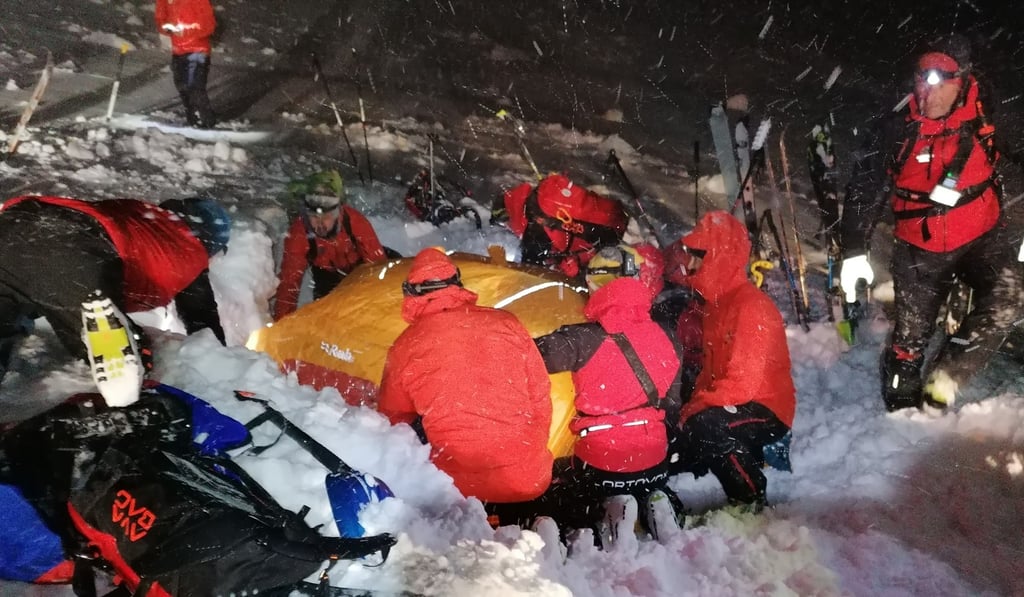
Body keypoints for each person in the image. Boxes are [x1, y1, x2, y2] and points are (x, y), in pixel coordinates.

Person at [838, 34, 1024, 412]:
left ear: (963, 80)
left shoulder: (990, 114)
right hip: (920, 247)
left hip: (981, 236)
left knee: (1010, 297)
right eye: (921, 77)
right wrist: (855, 249)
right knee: (909, 344)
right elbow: (865, 187)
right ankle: (900, 405)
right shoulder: (896, 125)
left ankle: (948, 377)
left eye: (939, 79)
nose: (926, 90)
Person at [528, 246, 685, 536]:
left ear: (597, 285)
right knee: (644, 479)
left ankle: (607, 513)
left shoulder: (581, 338)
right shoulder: (668, 335)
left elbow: (525, 355)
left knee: (555, 480)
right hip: (655, 462)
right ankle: (655, 503)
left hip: (602, 466)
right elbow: (672, 405)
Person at [0, 196, 229, 393]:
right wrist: (225, 362)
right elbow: (202, 317)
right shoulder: (190, 248)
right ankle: (111, 342)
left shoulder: (140, 213)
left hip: (15, 221)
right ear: (210, 242)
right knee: (126, 365)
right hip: (71, 252)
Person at [378, 247, 553, 504]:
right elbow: (540, 395)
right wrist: (529, 449)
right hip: (529, 478)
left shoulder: (405, 346)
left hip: (455, 487)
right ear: (457, 284)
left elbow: (393, 420)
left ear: (410, 293)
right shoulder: (507, 323)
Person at [666, 211, 795, 510]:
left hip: (766, 407)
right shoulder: (716, 305)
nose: (690, 263)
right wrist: (685, 411)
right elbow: (709, 372)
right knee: (681, 430)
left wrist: (694, 410)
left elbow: (743, 384)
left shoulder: (750, 307)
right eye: (691, 254)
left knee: (706, 427)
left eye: (698, 255)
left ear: (717, 258)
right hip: (735, 400)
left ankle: (750, 498)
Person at [273, 170, 387, 320]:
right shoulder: (299, 234)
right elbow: (288, 284)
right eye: (314, 216)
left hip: (360, 269)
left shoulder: (355, 222)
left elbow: (379, 266)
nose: (319, 223)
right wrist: (281, 325)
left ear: (337, 213)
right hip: (328, 275)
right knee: (331, 315)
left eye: (326, 216)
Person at [498, 173, 628, 278]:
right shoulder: (540, 198)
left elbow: (532, 272)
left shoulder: (535, 229)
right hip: (609, 215)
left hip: (611, 232)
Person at [155, 0, 217, 128]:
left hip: (197, 50)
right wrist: (168, 28)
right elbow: (161, 20)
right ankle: (193, 117)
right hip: (178, 50)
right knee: (182, 86)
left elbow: (209, 25)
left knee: (194, 85)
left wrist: (188, 32)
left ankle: (205, 119)